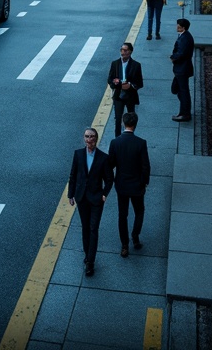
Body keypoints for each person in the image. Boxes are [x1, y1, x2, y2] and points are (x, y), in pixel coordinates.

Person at [67, 126, 113, 277]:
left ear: (96, 138)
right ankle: (87, 255)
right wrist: (70, 194)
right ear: (84, 138)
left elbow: (109, 179)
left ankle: (90, 263)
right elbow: (73, 175)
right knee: (85, 228)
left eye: (92, 136)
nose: (89, 139)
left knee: (93, 229)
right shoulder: (78, 154)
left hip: (96, 199)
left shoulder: (103, 158)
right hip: (81, 198)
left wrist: (105, 194)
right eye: (87, 136)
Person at [108, 112, 150, 256]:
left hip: (122, 185)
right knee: (139, 211)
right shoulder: (141, 143)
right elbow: (146, 166)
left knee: (122, 214)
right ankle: (135, 236)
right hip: (137, 185)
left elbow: (111, 164)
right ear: (135, 125)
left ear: (122, 123)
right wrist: (144, 183)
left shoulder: (115, 143)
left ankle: (124, 245)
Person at [107, 41, 143, 137]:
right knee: (118, 118)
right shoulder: (115, 64)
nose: (123, 52)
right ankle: (117, 138)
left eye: (125, 50)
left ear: (130, 52)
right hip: (119, 94)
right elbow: (109, 79)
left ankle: (131, 136)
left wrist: (130, 85)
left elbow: (140, 83)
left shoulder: (136, 65)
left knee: (131, 118)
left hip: (130, 95)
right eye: (122, 50)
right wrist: (114, 83)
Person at [169, 17, 195, 121]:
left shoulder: (184, 38)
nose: (176, 27)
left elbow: (182, 52)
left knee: (182, 91)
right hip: (182, 68)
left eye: (178, 25)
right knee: (180, 90)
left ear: (183, 28)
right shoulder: (185, 36)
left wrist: (173, 57)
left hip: (182, 69)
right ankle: (183, 112)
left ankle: (185, 114)